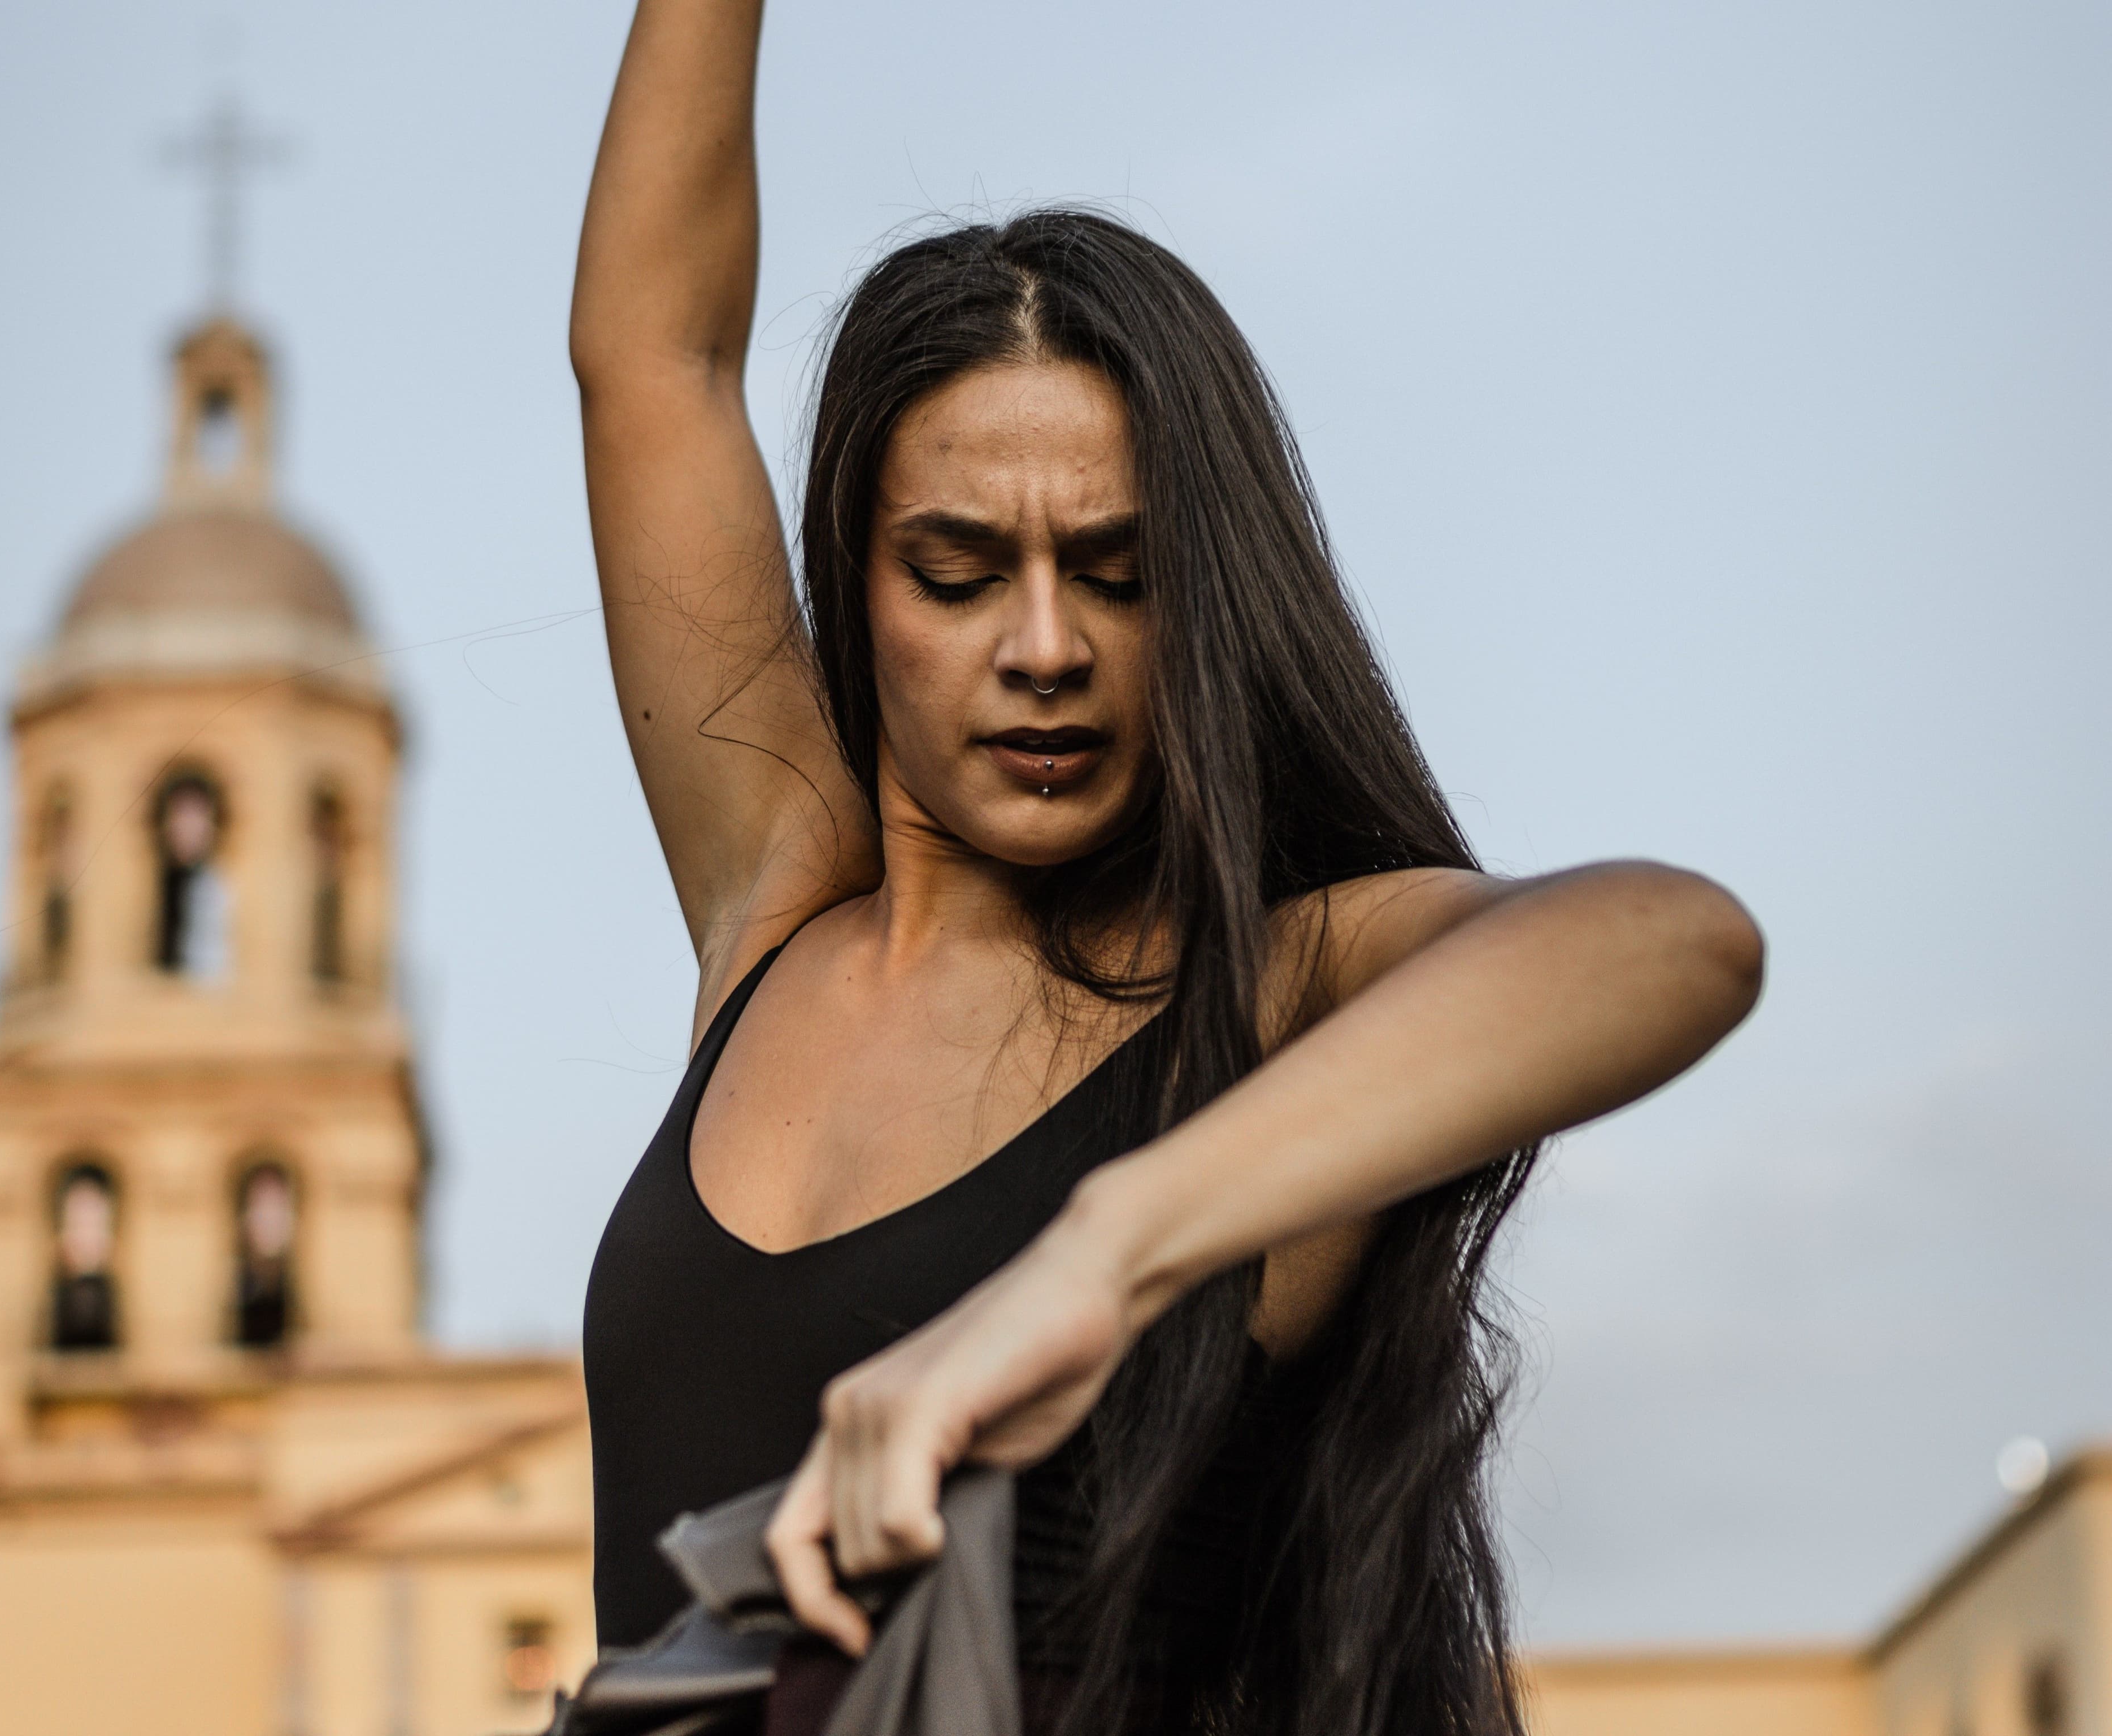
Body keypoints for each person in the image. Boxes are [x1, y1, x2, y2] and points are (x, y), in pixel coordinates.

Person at [571, 5, 1765, 1733]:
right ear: (860, 581)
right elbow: (653, 357)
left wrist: (1101, 1256)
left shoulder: (1273, 995)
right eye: (959, 570)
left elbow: (1678, 941)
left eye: (1120, 573)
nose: (1046, 646)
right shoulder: (778, 904)